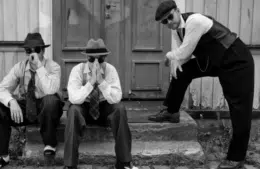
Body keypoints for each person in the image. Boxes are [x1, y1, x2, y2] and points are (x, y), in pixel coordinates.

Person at [148, 1, 255, 169]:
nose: (169, 22)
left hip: (235, 59)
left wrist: (169, 56)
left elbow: (184, 51)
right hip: (214, 61)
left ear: (177, 11)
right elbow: (183, 56)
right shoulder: (177, 30)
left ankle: (236, 158)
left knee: (239, 109)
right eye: (164, 21)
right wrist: (176, 62)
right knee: (182, 70)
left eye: (170, 17)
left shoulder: (194, 21)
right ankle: (171, 111)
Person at [0, 33, 63, 169]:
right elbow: (1, 90)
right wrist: (11, 101)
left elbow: (51, 89)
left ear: (43, 51)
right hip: (28, 106)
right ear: (25, 53)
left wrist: (39, 67)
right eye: (29, 51)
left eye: (37, 50)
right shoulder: (20, 67)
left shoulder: (53, 67)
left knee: (50, 100)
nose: (32, 54)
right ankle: (1, 156)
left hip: (48, 108)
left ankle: (50, 144)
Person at [63, 39, 137, 169]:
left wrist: (101, 81)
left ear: (105, 58)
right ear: (86, 58)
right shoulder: (77, 70)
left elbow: (116, 98)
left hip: (103, 107)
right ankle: (70, 165)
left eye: (100, 60)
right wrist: (91, 83)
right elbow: (74, 98)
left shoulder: (111, 70)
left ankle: (124, 162)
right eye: (92, 60)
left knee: (120, 109)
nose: (96, 63)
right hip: (84, 108)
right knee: (73, 110)